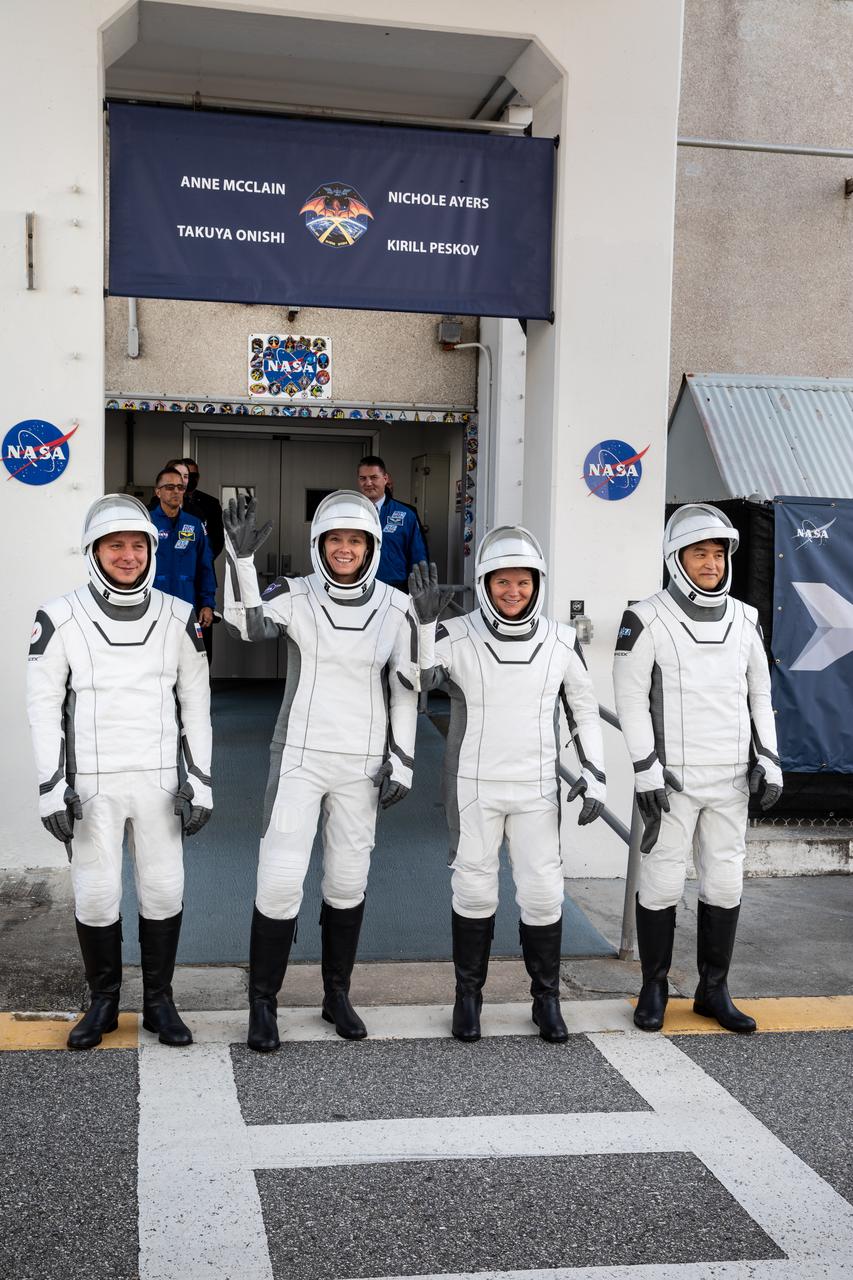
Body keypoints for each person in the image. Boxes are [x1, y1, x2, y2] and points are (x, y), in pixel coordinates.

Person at [223, 490, 418, 1052]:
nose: (345, 549)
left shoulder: (398, 605)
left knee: (346, 882)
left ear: (373, 546)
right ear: (319, 544)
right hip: (300, 760)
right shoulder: (296, 592)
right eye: (335, 539)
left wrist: (402, 759)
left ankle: (337, 995)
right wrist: (240, 563)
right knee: (280, 882)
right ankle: (263, 1004)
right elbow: (246, 626)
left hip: (362, 765)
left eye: (356, 540)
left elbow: (407, 690)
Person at [26, 494, 213, 1050]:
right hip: (92, 785)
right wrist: (50, 787)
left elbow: (196, 705)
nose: (128, 556)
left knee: (162, 890)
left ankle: (159, 1002)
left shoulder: (179, 616)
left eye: (137, 545)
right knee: (97, 894)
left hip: (159, 781)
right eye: (115, 546)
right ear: (94, 552)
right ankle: (103, 1003)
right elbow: (42, 708)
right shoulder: (57, 617)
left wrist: (200, 780)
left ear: (150, 550)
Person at [410, 527, 606, 1044]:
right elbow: (418, 681)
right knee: (473, 890)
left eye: (522, 582)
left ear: (537, 584)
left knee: (543, 895)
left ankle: (546, 1000)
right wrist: (425, 624)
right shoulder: (456, 634)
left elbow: (583, 707)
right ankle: (468, 999)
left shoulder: (562, 639)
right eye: (502, 582)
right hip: (474, 786)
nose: (512, 591)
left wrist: (596, 773)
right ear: (485, 583)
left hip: (537, 788)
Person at [612, 503, 783, 1035]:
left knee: (725, 883)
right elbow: (631, 700)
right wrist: (646, 770)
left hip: (731, 779)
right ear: (676, 558)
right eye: (698, 553)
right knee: (661, 883)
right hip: (672, 782)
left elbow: (760, 692)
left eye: (716, 554)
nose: (710, 563)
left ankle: (714, 989)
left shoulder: (745, 618)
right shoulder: (645, 617)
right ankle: (654, 987)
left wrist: (770, 760)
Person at [150, 466, 217, 661]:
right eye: (170, 487)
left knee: (188, 660)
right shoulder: (146, 522)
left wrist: (207, 604)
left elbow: (206, 567)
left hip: (187, 604)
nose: (176, 492)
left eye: (180, 487)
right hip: (153, 604)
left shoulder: (194, 524)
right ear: (158, 491)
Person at [356, 455, 428, 591]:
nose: (368, 483)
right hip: (358, 587)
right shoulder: (350, 512)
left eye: (373, 477)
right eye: (363, 478)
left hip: (396, 588)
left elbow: (418, 556)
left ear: (385, 479)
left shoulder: (406, 514)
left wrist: (420, 590)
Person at [182, 457, 225, 560]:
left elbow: (217, 540)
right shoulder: (163, 500)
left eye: (194, 475)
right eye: (187, 475)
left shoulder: (211, 503)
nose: (191, 479)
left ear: (198, 477)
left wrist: (204, 559)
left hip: (202, 564)